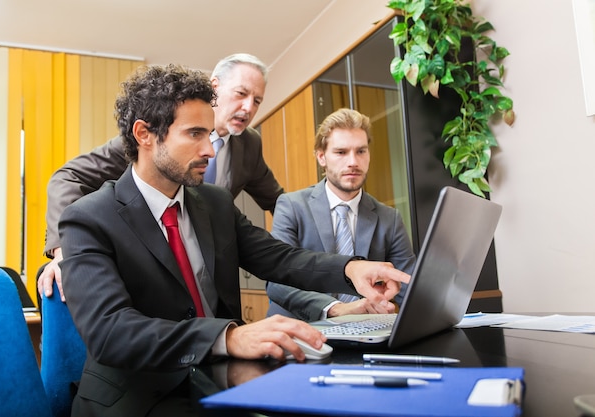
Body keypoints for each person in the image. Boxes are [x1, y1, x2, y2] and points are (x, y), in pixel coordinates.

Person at [58, 64, 409, 417]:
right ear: (144, 134)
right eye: (194, 134)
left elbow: (279, 259)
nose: (209, 150)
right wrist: (226, 337)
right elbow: (110, 332)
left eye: (209, 134)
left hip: (224, 380)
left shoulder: (215, 203)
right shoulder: (88, 219)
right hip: (137, 398)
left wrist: (351, 268)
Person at [39, 53, 283, 301]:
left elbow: (278, 200)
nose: (249, 107)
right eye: (241, 94)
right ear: (215, 88)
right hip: (154, 267)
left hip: (208, 273)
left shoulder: (249, 144)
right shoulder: (152, 139)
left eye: (257, 101)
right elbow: (68, 177)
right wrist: (64, 251)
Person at [266, 108, 416, 321]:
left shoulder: (389, 218)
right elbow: (277, 282)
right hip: (298, 331)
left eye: (361, 151)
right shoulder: (291, 206)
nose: (353, 162)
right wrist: (334, 308)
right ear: (321, 157)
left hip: (365, 332)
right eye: (341, 152)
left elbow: (409, 285)